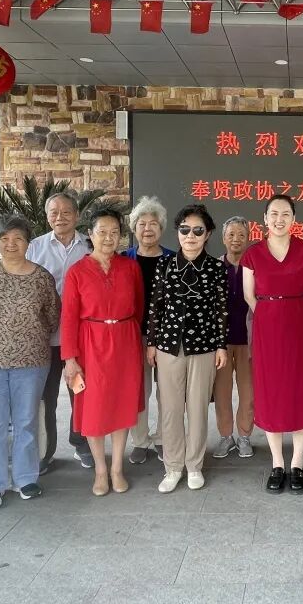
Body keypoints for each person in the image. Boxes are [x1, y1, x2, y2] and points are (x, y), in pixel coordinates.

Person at [0, 216, 61, 509]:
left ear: (28, 242)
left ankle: (26, 478)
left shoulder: (42, 278)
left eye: (18, 238)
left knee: (26, 421)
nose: (11, 244)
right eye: (4, 239)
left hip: (31, 362)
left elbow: (52, 317)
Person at [61, 208, 145, 496]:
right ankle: (100, 470)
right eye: (102, 232)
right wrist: (70, 359)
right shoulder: (77, 272)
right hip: (90, 345)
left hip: (125, 341)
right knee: (93, 409)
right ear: (90, 234)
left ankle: (117, 468)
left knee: (122, 404)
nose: (108, 238)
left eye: (114, 232)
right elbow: (68, 318)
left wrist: (130, 334)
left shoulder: (130, 268)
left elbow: (138, 307)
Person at [242, 194, 303, 494]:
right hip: (267, 329)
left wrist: (289, 309)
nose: (279, 219)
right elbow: (250, 296)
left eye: (285, 214)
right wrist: (271, 311)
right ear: (265, 219)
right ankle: (277, 463)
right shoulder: (252, 254)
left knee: (301, 391)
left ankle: (297, 462)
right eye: (273, 214)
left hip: (300, 326)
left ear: (293, 219)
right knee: (271, 392)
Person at [147, 205, 229, 493]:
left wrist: (221, 345)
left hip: (204, 346)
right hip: (168, 345)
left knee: (197, 408)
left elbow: (222, 310)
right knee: (170, 409)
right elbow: (155, 306)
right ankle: (172, 467)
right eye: (184, 229)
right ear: (177, 232)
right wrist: (151, 342)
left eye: (197, 230)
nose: (190, 236)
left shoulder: (217, 268)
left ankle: (194, 466)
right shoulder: (164, 265)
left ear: (208, 234)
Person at [27, 193, 94, 472]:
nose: (60, 217)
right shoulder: (34, 248)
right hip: (44, 339)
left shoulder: (90, 246)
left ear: (77, 216)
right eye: (54, 212)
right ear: (47, 216)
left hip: (79, 339)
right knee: (46, 396)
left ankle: (81, 442)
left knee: (80, 392)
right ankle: (46, 451)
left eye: (66, 212)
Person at [125, 195, 174, 465]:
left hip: (167, 336)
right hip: (134, 336)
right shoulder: (125, 259)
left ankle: (164, 439)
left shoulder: (173, 260)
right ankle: (140, 440)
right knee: (139, 391)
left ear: (161, 228)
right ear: (134, 228)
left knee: (167, 391)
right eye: (142, 224)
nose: (147, 229)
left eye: (153, 224)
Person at [213, 216, 255, 460]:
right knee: (222, 391)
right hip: (222, 342)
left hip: (249, 340)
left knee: (249, 392)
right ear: (223, 238)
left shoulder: (255, 267)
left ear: (248, 238)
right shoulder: (215, 267)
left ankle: (245, 436)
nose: (236, 239)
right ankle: (225, 436)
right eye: (231, 234)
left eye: (241, 235)